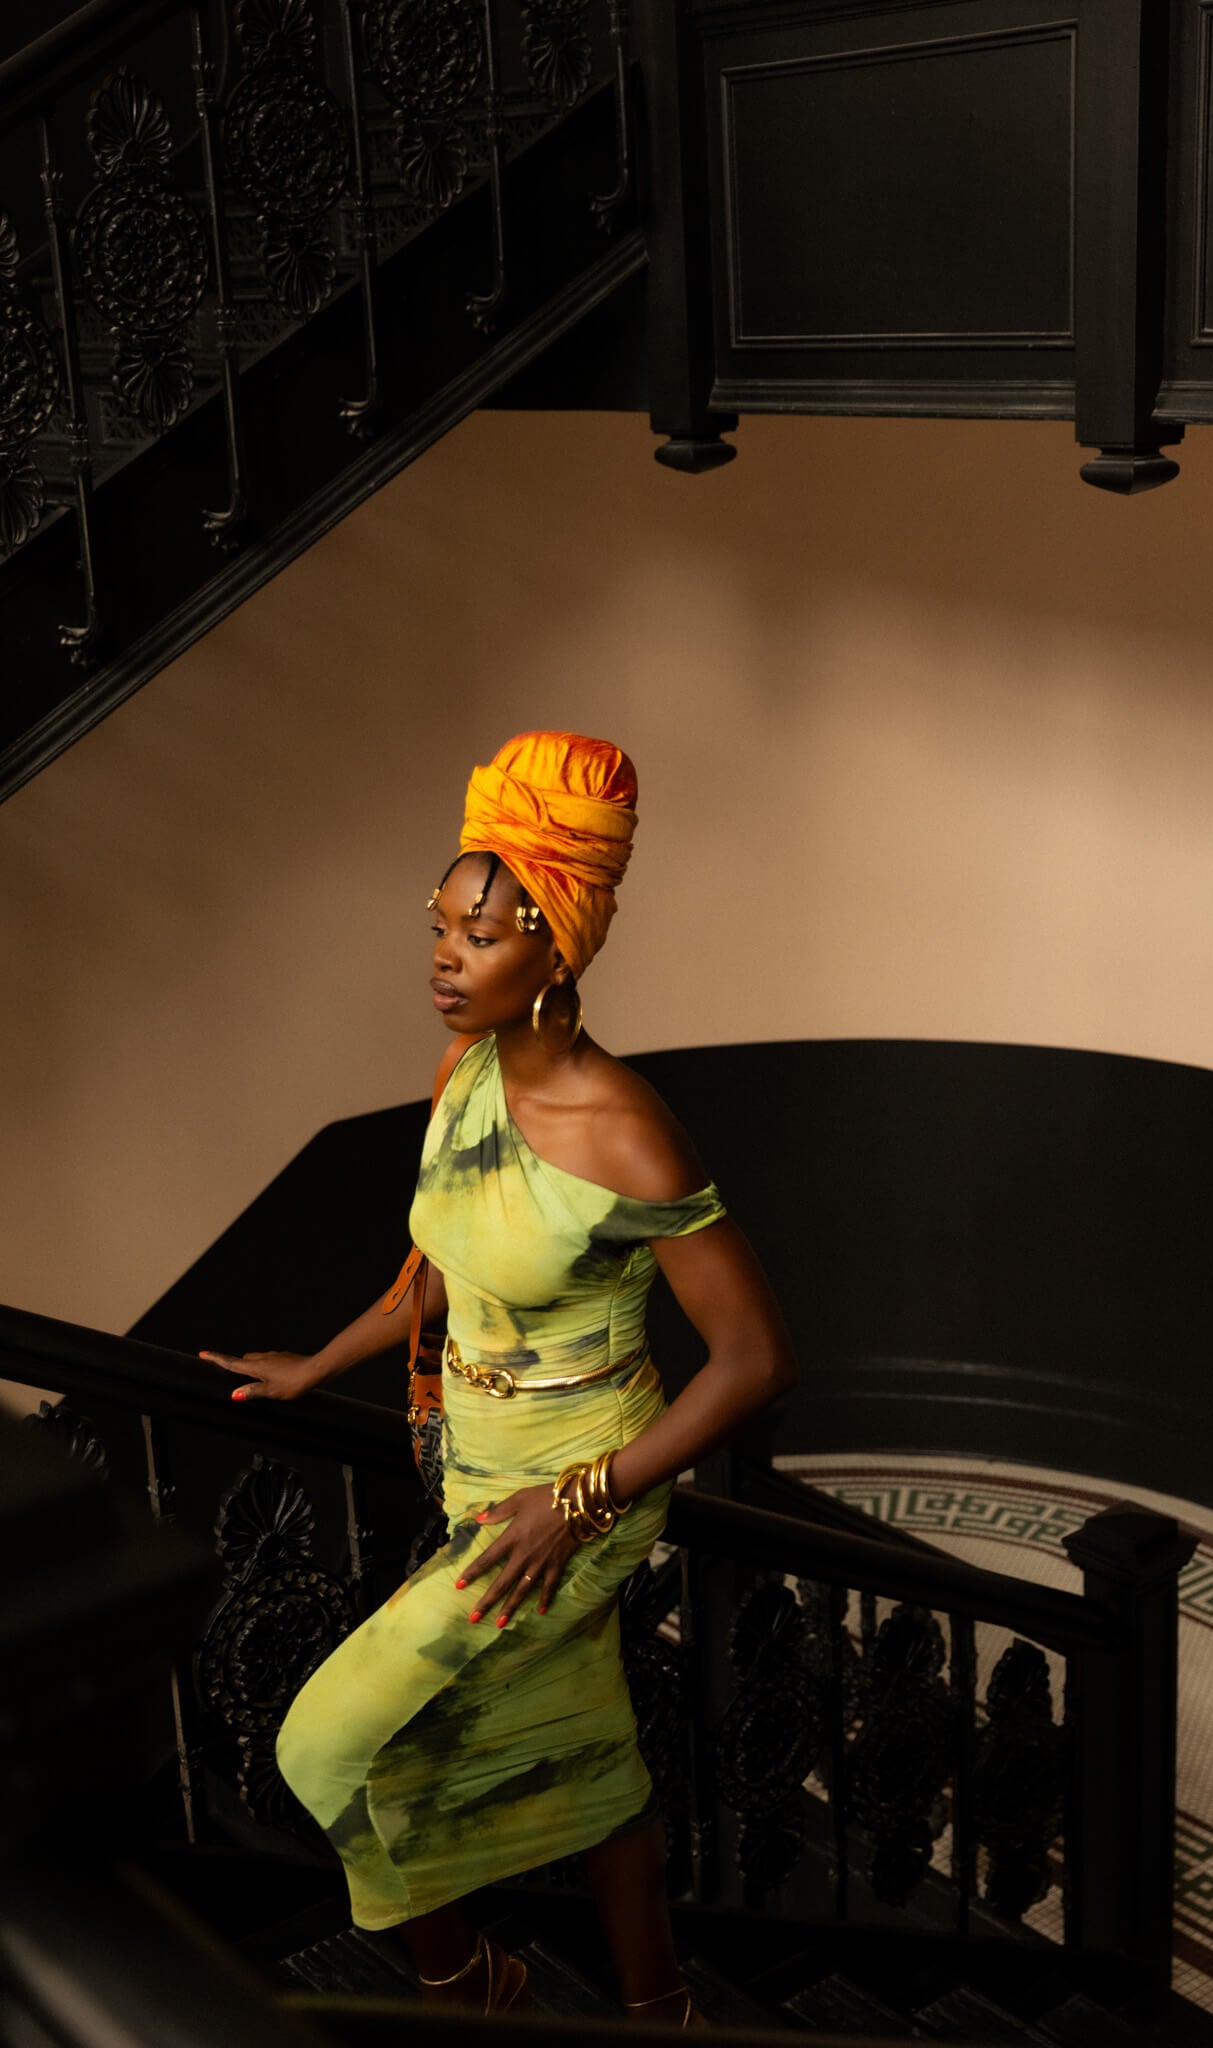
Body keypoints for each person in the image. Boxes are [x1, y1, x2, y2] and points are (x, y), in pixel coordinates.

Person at [200, 731, 797, 2027]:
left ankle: (464, 1983)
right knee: (581, 1745)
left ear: (557, 945)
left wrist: (574, 1504)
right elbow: (435, 1269)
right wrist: (320, 1365)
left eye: (484, 930)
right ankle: (657, 2007)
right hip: (474, 1466)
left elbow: (753, 1361)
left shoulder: (624, 1131)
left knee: (329, 1741)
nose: (443, 954)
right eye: (441, 920)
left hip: (577, 1489)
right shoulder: (463, 1072)